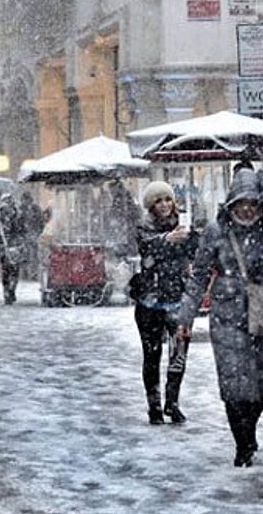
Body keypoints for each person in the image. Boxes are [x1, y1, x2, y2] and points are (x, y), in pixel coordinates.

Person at [176, 168, 263, 467]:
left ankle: (248, 432)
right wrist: (185, 315)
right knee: (233, 384)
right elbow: (199, 275)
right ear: (231, 203)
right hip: (226, 318)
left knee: (259, 385)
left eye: (253, 202)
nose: (247, 209)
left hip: (260, 316)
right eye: (242, 202)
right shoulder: (216, 231)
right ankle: (242, 442)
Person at [131, 181, 199, 425]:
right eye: (158, 201)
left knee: (179, 353)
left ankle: (173, 402)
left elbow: (196, 252)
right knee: (152, 355)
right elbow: (148, 249)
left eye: (167, 200)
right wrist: (168, 239)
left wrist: (190, 237)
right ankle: (154, 406)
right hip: (149, 302)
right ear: (151, 205)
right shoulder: (144, 227)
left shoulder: (183, 224)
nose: (164, 205)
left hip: (177, 301)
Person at [0, 193, 24, 305]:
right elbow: (22, 229)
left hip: (4, 245)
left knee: (6, 271)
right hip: (15, 244)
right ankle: (12, 289)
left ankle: (6, 292)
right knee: (15, 270)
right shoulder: (17, 213)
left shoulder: (0, 214)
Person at [18, 191, 45, 280]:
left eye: (26, 200)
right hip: (24, 235)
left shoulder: (36, 208)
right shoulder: (21, 209)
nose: (25, 202)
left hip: (33, 234)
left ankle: (33, 274)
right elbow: (18, 222)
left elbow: (41, 221)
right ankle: (25, 272)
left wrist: (38, 232)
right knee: (24, 254)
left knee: (33, 255)